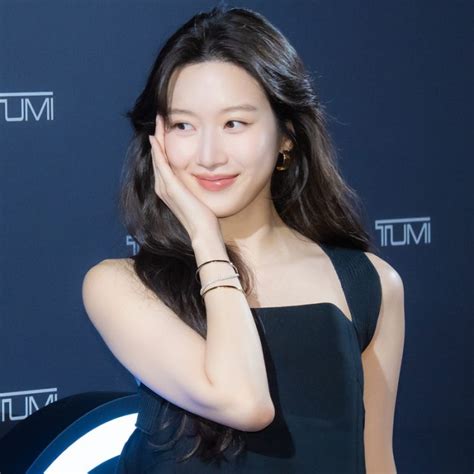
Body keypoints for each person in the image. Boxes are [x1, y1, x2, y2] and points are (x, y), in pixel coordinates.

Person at [81, 5, 405, 473]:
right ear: (156, 139)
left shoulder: (368, 284)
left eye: (234, 123)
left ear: (287, 135)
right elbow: (243, 401)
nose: (209, 155)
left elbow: (376, 462)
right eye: (183, 125)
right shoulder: (122, 285)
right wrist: (205, 238)